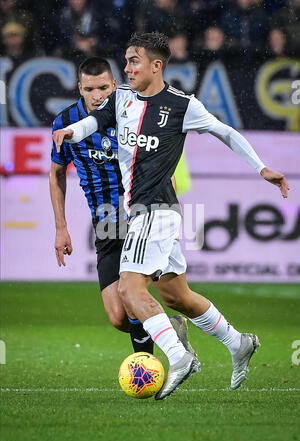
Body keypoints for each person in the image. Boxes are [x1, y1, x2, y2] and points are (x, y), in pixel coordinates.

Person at [53, 32, 290, 400]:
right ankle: (238, 342)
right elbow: (94, 122)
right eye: (128, 61)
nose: (128, 68)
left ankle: (179, 357)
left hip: (157, 210)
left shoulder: (182, 105)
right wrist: (70, 131)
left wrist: (262, 169)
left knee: (130, 289)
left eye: (134, 61)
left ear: (156, 65)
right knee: (177, 296)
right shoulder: (122, 101)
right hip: (140, 213)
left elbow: (225, 132)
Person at [50, 56, 195, 358]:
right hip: (106, 221)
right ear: (80, 88)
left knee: (155, 296)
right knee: (118, 317)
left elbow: (163, 169)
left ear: (115, 85)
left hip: (142, 214)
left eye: (103, 87)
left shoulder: (132, 113)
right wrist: (61, 228)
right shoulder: (66, 123)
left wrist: (168, 220)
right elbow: (57, 173)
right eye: (90, 89)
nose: (97, 95)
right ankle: (170, 328)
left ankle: (148, 368)